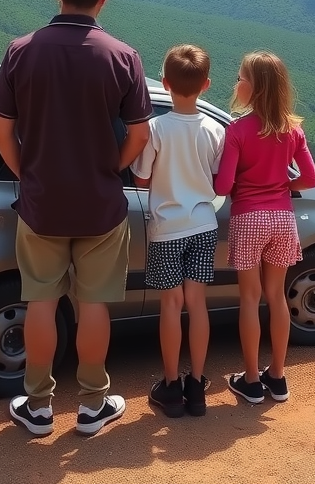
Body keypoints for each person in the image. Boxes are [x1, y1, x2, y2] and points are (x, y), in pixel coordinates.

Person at [0, 0, 153, 437]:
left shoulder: (21, 51)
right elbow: (141, 134)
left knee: (40, 301)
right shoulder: (124, 57)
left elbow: (1, 132)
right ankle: (92, 405)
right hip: (101, 205)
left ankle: (37, 406)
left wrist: (27, 173)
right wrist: (111, 168)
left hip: (41, 204)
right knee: (94, 304)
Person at [213, 51, 315, 405]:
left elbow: (223, 186)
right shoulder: (293, 130)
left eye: (241, 78)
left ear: (254, 89)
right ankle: (278, 376)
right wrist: (283, 186)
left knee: (249, 298)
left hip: (248, 219)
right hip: (283, 220)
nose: (236, 83)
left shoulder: (237, 131)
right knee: (277, 297)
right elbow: (310, 178)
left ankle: (252, 381)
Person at [131, 44, 225, 418]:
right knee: (197, 305)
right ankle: (197, 385)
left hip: (167, 228)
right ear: (206, 85)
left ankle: (170, 387)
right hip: (204, 225)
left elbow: (140, 179)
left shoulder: (156, 128)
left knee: (171, 306)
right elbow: (219, 183)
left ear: (165, 83)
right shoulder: (215, 130)